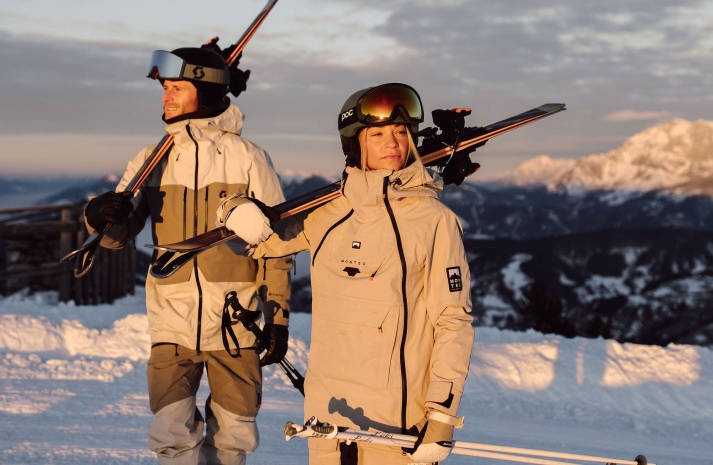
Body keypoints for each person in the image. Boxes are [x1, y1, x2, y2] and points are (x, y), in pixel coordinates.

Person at [217, 83, 474, 465]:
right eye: (379, 134)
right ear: (356, 142)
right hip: (327, 417)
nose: (393, 143)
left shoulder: (434, 222)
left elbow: (453, 322)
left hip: (398, 425)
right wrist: (234, 210)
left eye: (402, 133)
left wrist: (441, 415)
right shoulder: (328, 214)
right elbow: (259, 240)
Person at [83, 43, 292, 465]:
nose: (166, 96)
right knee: (171, 437)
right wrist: (99, 214)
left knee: (233, 439)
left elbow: (276, 248)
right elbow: (116, 234)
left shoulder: (248, 158)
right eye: (166, 88)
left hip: (236, 324)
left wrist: (278, 318)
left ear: (206, 88)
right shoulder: (152, 159)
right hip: (170, 323)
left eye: (176, 87)